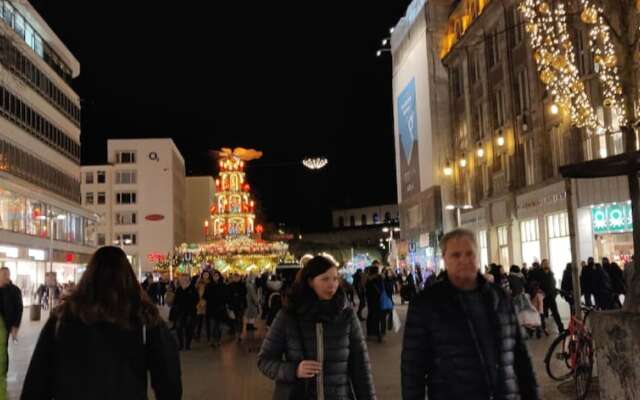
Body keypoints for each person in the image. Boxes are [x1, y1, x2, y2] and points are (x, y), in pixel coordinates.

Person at [21, 246, 181, 400]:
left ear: (89, 275)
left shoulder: (63, 317)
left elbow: (37, 379)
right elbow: (169, 379)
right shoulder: (144, 318)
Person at [401, 229, 538, 400]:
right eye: (456, 255)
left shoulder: (501, 297)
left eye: (469, 253)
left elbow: (521, 359)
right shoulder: (426, 304)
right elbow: (413, 372)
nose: (464, 260)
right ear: (445, 259)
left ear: (477, 256)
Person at [257, 255, 376, 400]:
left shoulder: (347, 316)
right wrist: (294, 370)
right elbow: (264, 361)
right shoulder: (288, 316)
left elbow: (361, 368)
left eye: (335, 278)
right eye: (325, 279)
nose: (332, 284)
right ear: (310, 282)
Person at [0, 267, 21, 391]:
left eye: (6, 274)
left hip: (6, 326)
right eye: (2, 274)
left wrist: (15, 326)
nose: (4, 277)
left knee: (3, 348)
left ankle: (3, 372)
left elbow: (19, 309)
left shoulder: (14, 290)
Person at [172, 273, 198, 350]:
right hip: (180, 312)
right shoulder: (179, 289)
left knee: (189, 328)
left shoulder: (193, 289)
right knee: (178, 327)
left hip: (190, 312)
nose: (183, 280)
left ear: (188, 279)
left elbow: (196, 300)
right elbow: (175, 300)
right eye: (181, 279)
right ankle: (181, 344)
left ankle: (187, 345)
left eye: (185, 279)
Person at [540, 259, 564, 333]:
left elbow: (553, 283)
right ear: (542, 265)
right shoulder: (539, 274)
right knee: (542, 314)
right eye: (544, 263)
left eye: (547, 263)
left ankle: (561, 328)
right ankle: (543, 328)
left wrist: (554, 293)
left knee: (555, 312)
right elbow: (537, 284)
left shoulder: (551, 273)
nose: (546, 265)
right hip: (543, 297)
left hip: (551, 297)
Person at [365, 266, 385, 342]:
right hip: (377, 300)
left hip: (370, 300)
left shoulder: (368, 279)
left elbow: (366, 289)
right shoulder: (379, 278)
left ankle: (369, 333)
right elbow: (382, 288)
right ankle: (378, 334)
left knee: (370, 316)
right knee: (377, 317)